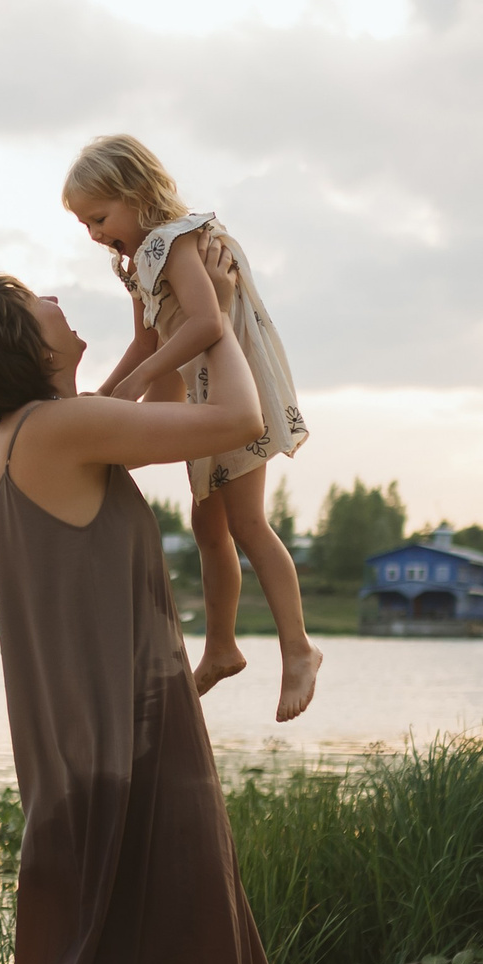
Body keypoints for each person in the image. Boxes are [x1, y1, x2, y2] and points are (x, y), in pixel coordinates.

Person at [0, 273, 312, 964]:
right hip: (122, 720)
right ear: (25, 339)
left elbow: (138, 385)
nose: (60, 301)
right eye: (38, 299)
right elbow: (234, 422)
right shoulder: (61, 428)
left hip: (76, 732)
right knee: (164, 912)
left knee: (126, 924)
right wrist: (216, 317)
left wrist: (164, 315)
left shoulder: (18, 436)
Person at [64, 136, 323, 722]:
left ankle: (299, 648)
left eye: (100, 218)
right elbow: (145, 341)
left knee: (247, 521)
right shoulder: (139, 262)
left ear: (135, 194)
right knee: (208, 523)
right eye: (85, 225)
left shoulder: (177, 240)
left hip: (234, 386)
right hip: (200, 386)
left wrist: (137, 386)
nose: (95, 234)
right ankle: (222, 648)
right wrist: (101, 400)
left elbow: (207, 322)